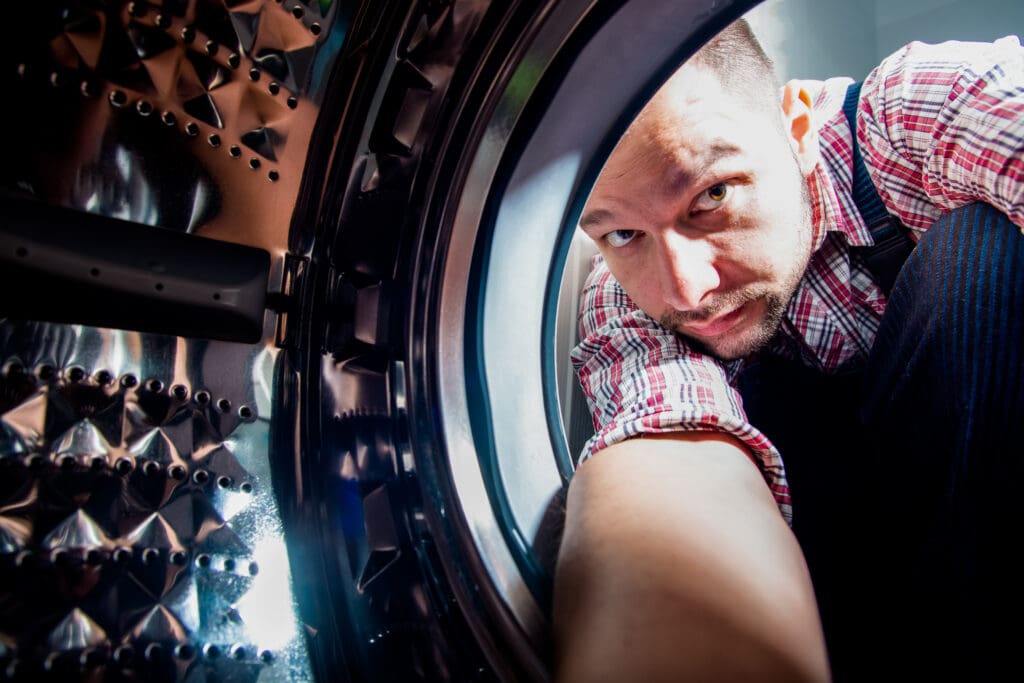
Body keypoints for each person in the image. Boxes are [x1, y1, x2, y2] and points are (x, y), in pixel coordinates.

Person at [552, 17, 1024, 682]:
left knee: (980, 257)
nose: (686, 289)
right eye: (625, 234)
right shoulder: (624, 300)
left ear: (798, 131)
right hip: (832, 601)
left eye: (710, 196)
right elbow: (671, 476)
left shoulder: (915, 113)